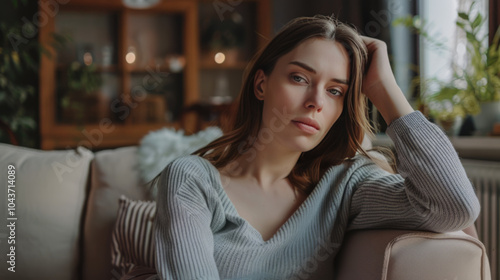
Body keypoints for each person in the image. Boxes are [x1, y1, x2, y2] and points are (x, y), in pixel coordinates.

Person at [153, 15, 480, 279]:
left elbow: (454, 208)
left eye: (336, 91)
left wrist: (385, 91)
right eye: (299, 78)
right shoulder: (192, 180)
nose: (315, 103)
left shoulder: (344, 184)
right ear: (261, 84)